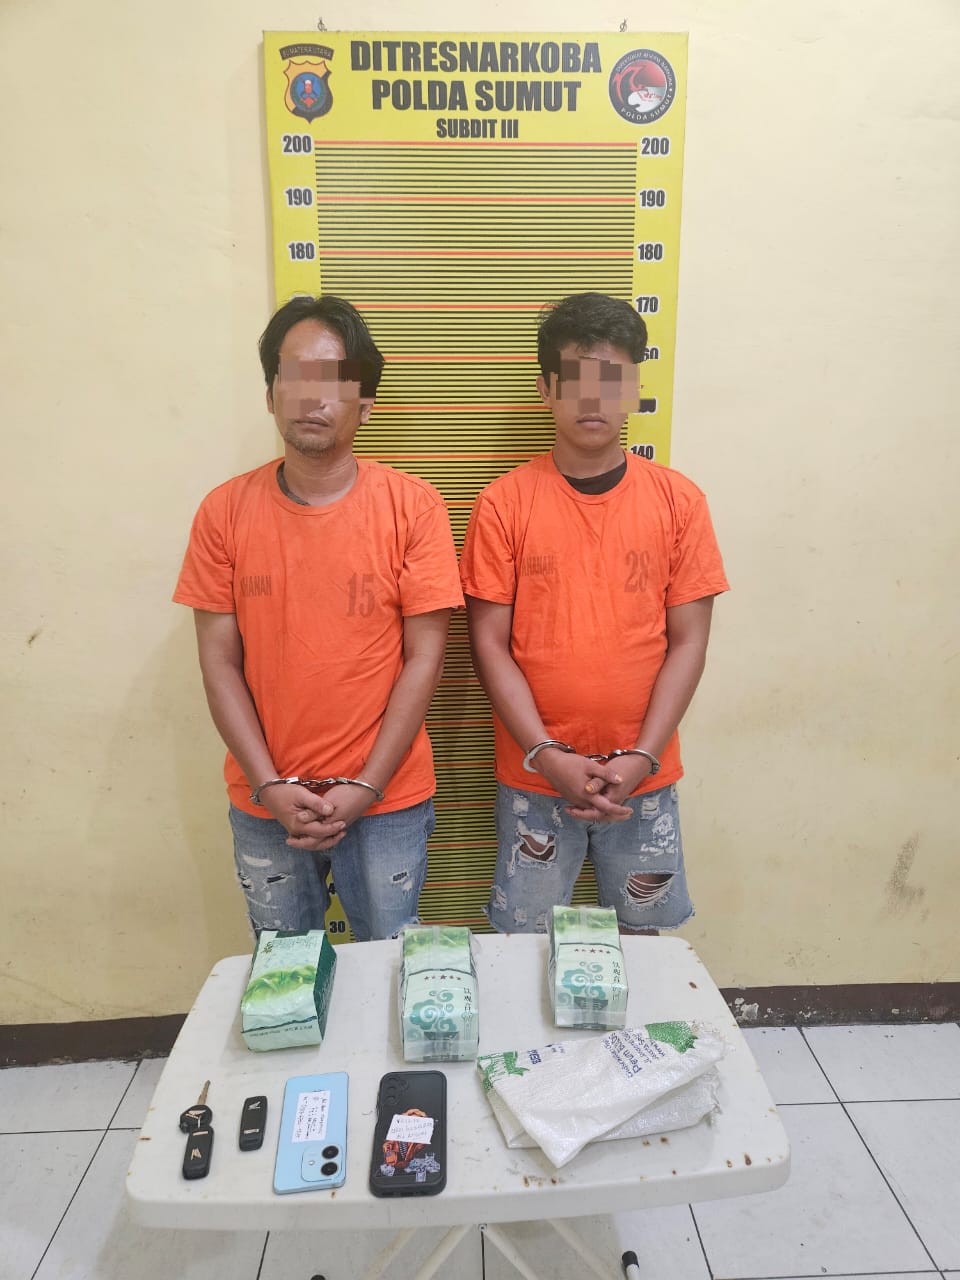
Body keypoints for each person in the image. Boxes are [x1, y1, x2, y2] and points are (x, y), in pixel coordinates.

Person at [174, 295, 463, 939]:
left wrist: (367, 784)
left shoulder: (415, 508)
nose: (312, 397)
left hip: (387, 799)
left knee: (389, 964)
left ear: (365, 403)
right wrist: (269, 784)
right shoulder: (223, 513)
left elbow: (425, 659)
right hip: (265, 801)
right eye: (295, 376)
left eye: (333, 379)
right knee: (285, 974)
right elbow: (219, 664)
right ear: (270, 394)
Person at [460, 292, 729, 934]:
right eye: (575, 380)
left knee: (641, 938)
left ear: (634, 390)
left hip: (645, 774)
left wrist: (642, 756)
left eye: (611, 380)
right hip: (534, 775)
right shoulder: (503, 505)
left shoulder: (679, 503)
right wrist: (546, 753)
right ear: (546, 389)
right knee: (524, 940)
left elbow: (689, 643)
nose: (593, 399)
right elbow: (488, 644)